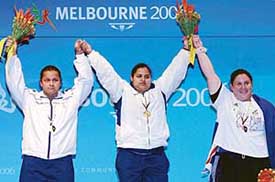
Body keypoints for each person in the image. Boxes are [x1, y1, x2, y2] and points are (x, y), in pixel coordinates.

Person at [78, 40, 191, 182]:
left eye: (147, 76)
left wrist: (186, 51)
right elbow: (106, 73)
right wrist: (90, 53)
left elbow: (175, 72)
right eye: (139, 76)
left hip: (156, 156)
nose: (143, 80)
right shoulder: (121, 91)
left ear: (151, 78)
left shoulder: (160, 90)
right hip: (129, 156)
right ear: (131, 78)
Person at [4, 38, 93, 182]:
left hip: (62, 163)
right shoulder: (29, 99)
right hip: (33, 162)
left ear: (60, 82)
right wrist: (12, 54)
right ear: (41, 83)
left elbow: (86, 82)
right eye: (47, 80)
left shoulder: (71, 99)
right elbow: (14, 81)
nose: (51, 84)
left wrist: (80, 56)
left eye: (55, 80)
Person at [193, 35, 275, 182]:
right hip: (230, 163)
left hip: (259, 163)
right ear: (231, 86)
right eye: (239, 84)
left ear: (252, 84)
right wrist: (199, 50)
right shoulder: (224, 100)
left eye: (247, 83)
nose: (243, 87)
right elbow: (210, 75)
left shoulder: (266, 107)